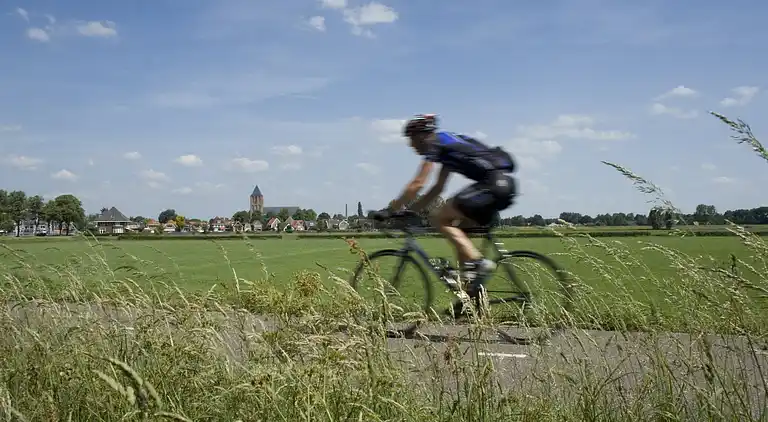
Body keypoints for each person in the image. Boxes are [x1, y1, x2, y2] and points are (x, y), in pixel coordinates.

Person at [372, 113, 517, 309]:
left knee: (440, 219)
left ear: (422, 135)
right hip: (503, 185)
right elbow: (437, 188)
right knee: (460, 233)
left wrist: (391, 210)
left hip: (492, 184)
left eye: (412, 139)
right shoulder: (447, 147)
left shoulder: (435, 144)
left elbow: (418, 183)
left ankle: (479, 263)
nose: (411, 145)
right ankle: (471, 299)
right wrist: (411, 211)